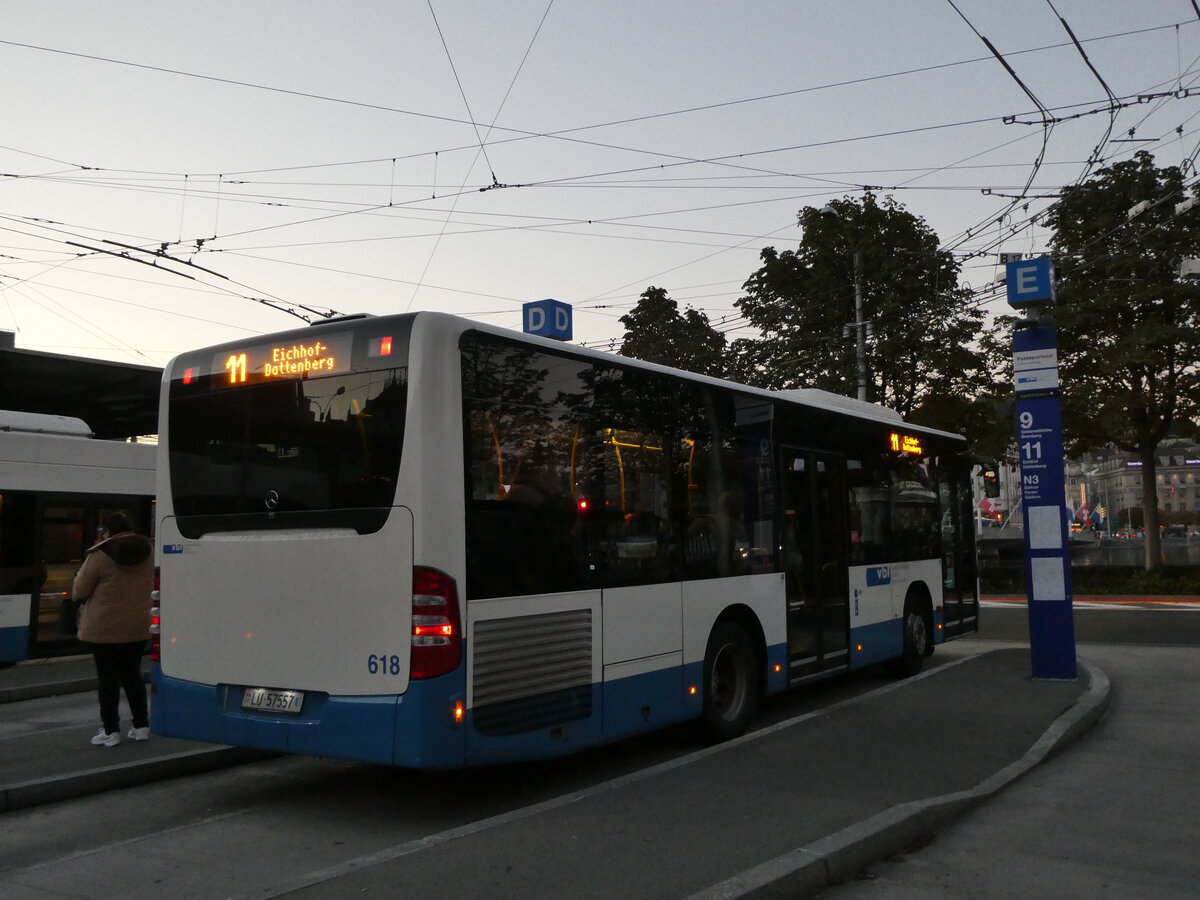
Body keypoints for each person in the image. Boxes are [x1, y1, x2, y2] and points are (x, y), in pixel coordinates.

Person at [73, 511, 154, 747]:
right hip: (138, 626)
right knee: (132, 676)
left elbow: (80, 589)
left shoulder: (100, 555)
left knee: (107, 680)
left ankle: (111, 731)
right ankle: (141, 726)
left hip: (104, 630)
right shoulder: (149, 551)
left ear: (108, 532)